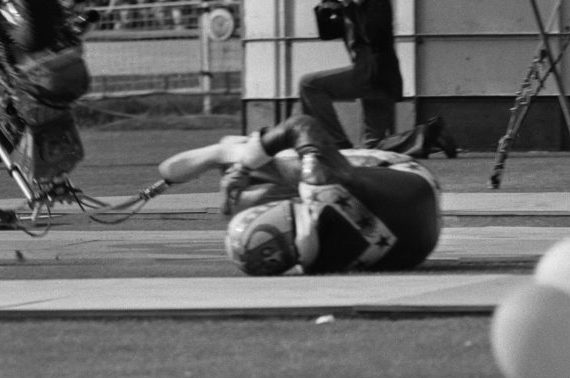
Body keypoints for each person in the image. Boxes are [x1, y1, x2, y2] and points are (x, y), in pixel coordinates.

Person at [158, 114, 442, 276]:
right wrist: (244, 165)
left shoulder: (317, 265)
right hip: (409, 176)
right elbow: (301, 125)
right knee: (264, 173)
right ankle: (230, 151)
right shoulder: (320, 183)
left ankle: (230, 151)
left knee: (246, 197)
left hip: (421, 238)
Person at [297, 0, 403, 149]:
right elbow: (327, 33)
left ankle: (336, 143)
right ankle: (430, 136)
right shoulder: (347, 2)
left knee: (309, 85)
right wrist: (324, 8)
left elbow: (373, 33)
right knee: (375, 147)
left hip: (376, 73)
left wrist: (349, 6)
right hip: (370, 75)